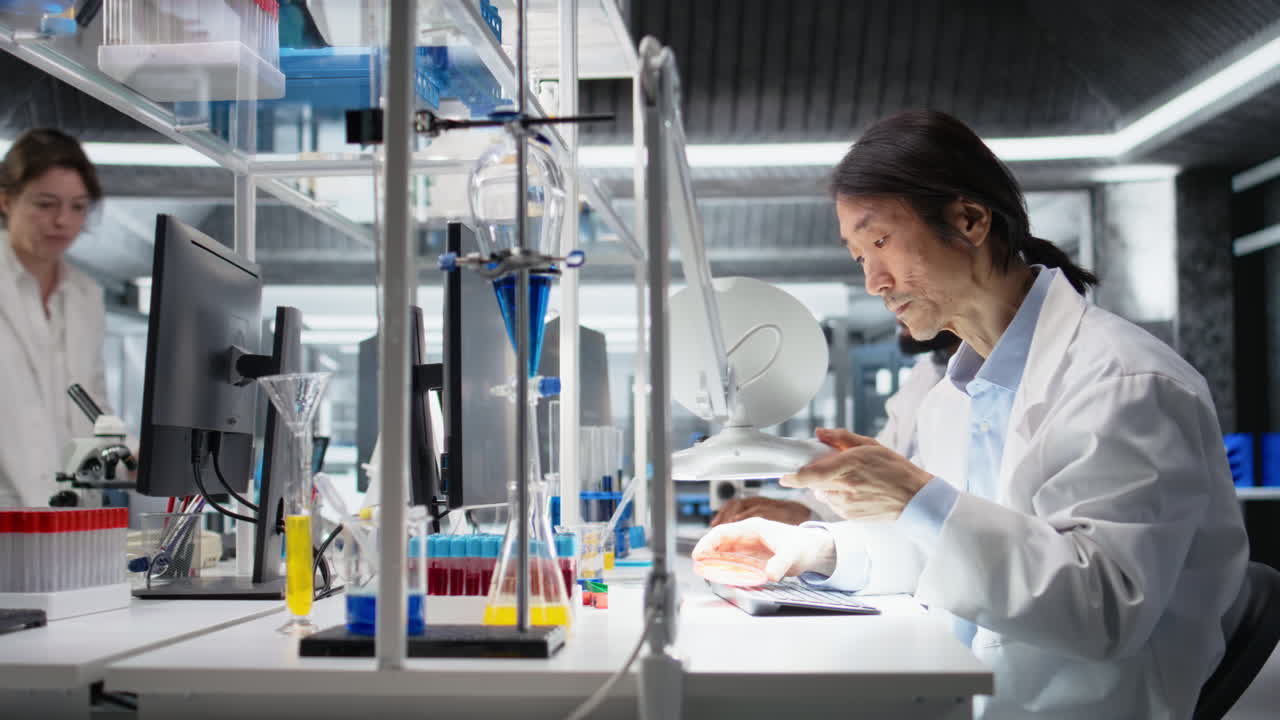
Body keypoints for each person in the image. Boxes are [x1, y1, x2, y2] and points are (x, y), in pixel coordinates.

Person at [694, 110, 1248, 719]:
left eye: (879, 241)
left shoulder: (1124, 382)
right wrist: (809, 550)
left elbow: (1104, 610)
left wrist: (917, 496)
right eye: (858, 256)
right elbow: (943, 559)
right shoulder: (953, 397)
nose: (875, 280)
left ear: (970, 219)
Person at [710, 324, 959, 526]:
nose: (878, 287)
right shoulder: (924, 375)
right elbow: (877, 469)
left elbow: (908, 494)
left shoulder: (974, 384)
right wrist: (800, 511)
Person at [0, 128, 108, 507]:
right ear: (6, 200)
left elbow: (93, 408)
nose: (63, 221)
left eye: (78, 207)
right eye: (45, 204)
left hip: (70, 518)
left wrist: (133, 452)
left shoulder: (86, 297)